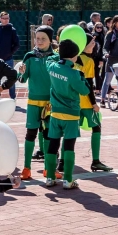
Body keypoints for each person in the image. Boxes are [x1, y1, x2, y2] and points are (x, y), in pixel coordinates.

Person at [44, 39, 87, 189]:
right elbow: (85, 90)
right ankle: (68, 180)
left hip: (55, 113)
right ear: (73, 56)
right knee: (69, 146)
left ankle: (50, 177)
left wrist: (58, 52)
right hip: (71, 114)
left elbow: (49, 58)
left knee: (53, 144)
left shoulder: (52, 67)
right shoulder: (75, 73)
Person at [17, 26, 56, 179]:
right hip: (33, 102)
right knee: (30, 134)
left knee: (48, 135)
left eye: (43, 39)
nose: (39, 41)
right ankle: (26, 168)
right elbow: (22, 79)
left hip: (50, 104)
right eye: (37, 38)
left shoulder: (55, 58)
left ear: (50, 40)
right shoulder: (29, 56)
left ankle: (48, 168)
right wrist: (20, 72)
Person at [77, 34, 112, 173]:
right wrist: (94, 103)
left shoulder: (71, 59)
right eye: (91, 43)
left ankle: (61, 162)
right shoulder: (88, 61)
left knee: (69, 133)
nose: (94, 45)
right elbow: (88, 84)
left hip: (73, 102)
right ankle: (95, 161)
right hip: (85, 102)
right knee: (96, 128)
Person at [0, 12, 20, 98]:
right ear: (0, 19)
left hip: (8, 59)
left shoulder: (12, 30)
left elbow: (17, 44)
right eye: (4, 18)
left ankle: (13, 98)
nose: (6, 20)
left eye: (7, 18)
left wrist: (10, 53)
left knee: (11, 78)